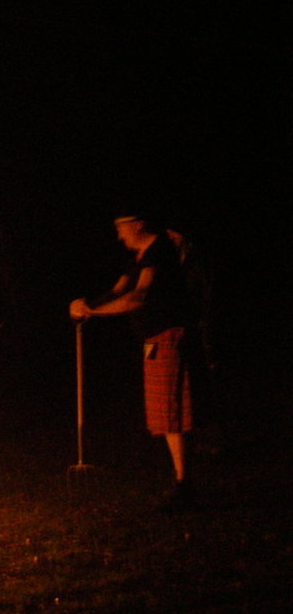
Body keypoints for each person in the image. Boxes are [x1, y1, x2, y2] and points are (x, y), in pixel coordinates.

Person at [70, 211, 196, 509]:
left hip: (167, 336)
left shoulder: (159, 252)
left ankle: (184, 485)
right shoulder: (137, 255)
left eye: (122, 228)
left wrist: (94, 313)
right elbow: (119, 289)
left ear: (138, 224)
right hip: (152, 340)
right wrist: (86, 304)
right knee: (162, 413)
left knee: (170, 411)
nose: (119, 235)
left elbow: (137, 297)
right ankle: (181, 481)